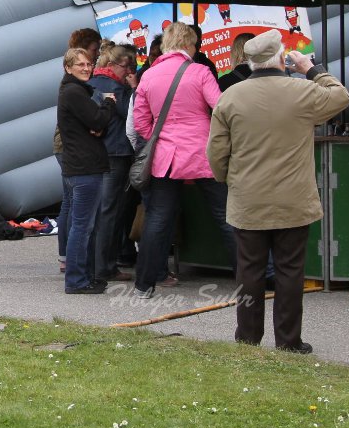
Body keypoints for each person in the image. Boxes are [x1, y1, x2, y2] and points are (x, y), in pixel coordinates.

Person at [208, 30, 349, 353]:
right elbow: (341, 96)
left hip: (247, 199)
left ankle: (247, 339)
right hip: (293, 199)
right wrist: (309, 69)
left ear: (248, 60)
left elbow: (216, 152)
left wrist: (227, 179)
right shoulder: (301, 92)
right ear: (281, 57)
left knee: (249, 272)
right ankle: (288, 340)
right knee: (290, 271)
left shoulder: (230, 96)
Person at [131, 21, 234, 297]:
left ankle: (144, 284)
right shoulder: (200, 71)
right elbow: (221, 107)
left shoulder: (149, 76)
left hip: (164, 158)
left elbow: (140, 123)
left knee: (158, 219)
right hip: (202, 154)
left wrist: (162, 136)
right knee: (226, 215)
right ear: (190, 45)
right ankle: (254, 279)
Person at [58, 48, 117, 294]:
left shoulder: (75, 92)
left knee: (80, 225)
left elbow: (94, 126)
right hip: (84, 168)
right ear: (68, 68)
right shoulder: (73, 92)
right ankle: (76, 280)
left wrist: (97, 121)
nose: (85, 68)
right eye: (79, 64)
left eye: (88, 64)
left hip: (79, 166)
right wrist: (108, 104)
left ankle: (84, 276)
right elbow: (97, 121)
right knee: (82, 226)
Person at [86, 44, 136, 283]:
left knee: (98, 210)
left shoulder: (93, 82)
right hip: (116, 152)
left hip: (97, 152)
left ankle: (95, 263)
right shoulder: (117, 88)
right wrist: (134, 89)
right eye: (127, 66)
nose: (129, 71)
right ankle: (105, 266)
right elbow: (130, 114)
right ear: (114, 65)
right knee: (110, 211)